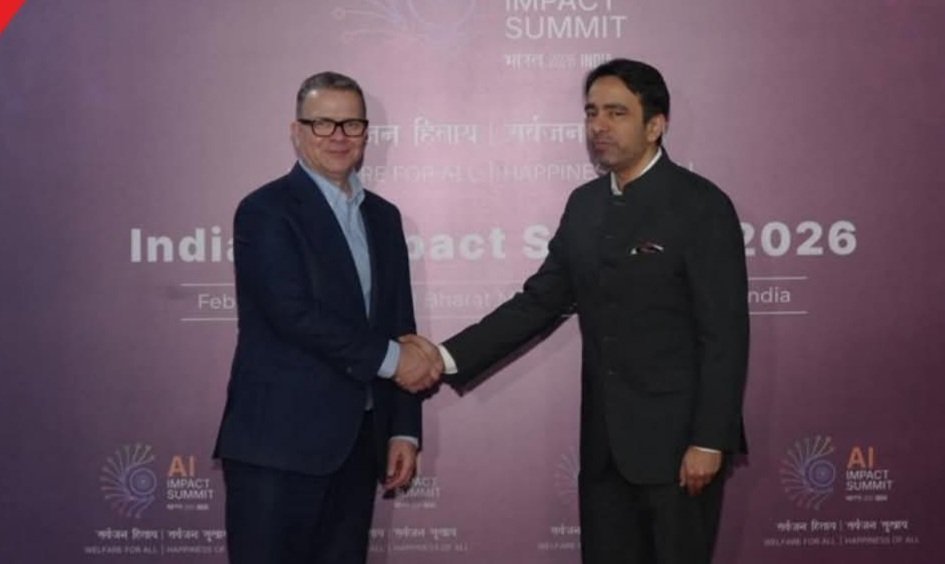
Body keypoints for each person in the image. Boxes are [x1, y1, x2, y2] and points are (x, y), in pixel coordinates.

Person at [405, 58, 749, 563]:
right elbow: (540, 301)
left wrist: (709, 441)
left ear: (655, 125)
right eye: (592, 112)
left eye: (616, 112)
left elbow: (725, 335)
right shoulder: (585, 204)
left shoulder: (701, 206)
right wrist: (445, 356)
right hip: (604, 452)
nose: (599, 126)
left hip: (680, 452)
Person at [213, 71, 440, 564]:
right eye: (323, 123)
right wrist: (395, 361)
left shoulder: (384, 217)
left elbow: (400, 324)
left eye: (351, 124)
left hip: (357, 447)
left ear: (366, 134)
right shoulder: (265, 211)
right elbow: (292, 314)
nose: (338, 136)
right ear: (297, 131)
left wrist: (403, 428)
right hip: (276, 448)